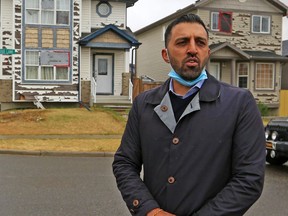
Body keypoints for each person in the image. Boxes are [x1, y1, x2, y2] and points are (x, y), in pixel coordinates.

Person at [112, 14, 266, 216]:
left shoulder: (239, 103)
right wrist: (149, 210)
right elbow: (125, 163)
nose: (193, 49)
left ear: (207, 52)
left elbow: (249, 178)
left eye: (200, 43)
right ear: (166, 54)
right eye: (183, 42)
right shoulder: (144, 104)